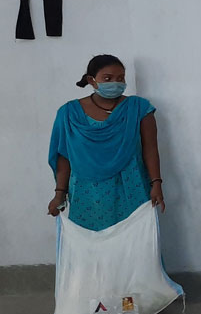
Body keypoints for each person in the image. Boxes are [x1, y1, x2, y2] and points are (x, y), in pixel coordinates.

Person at [47, 54, 165, 227]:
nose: (116, 83)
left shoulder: (138, 108)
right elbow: (64, 156)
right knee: (90, 241)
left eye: (121, 78)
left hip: (132, 187)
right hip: (87, 193)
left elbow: (151, 149)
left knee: (134, 239)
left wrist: (156, 183)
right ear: (92, 80)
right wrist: (59, 193)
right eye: (108, 78)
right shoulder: (69, 113)